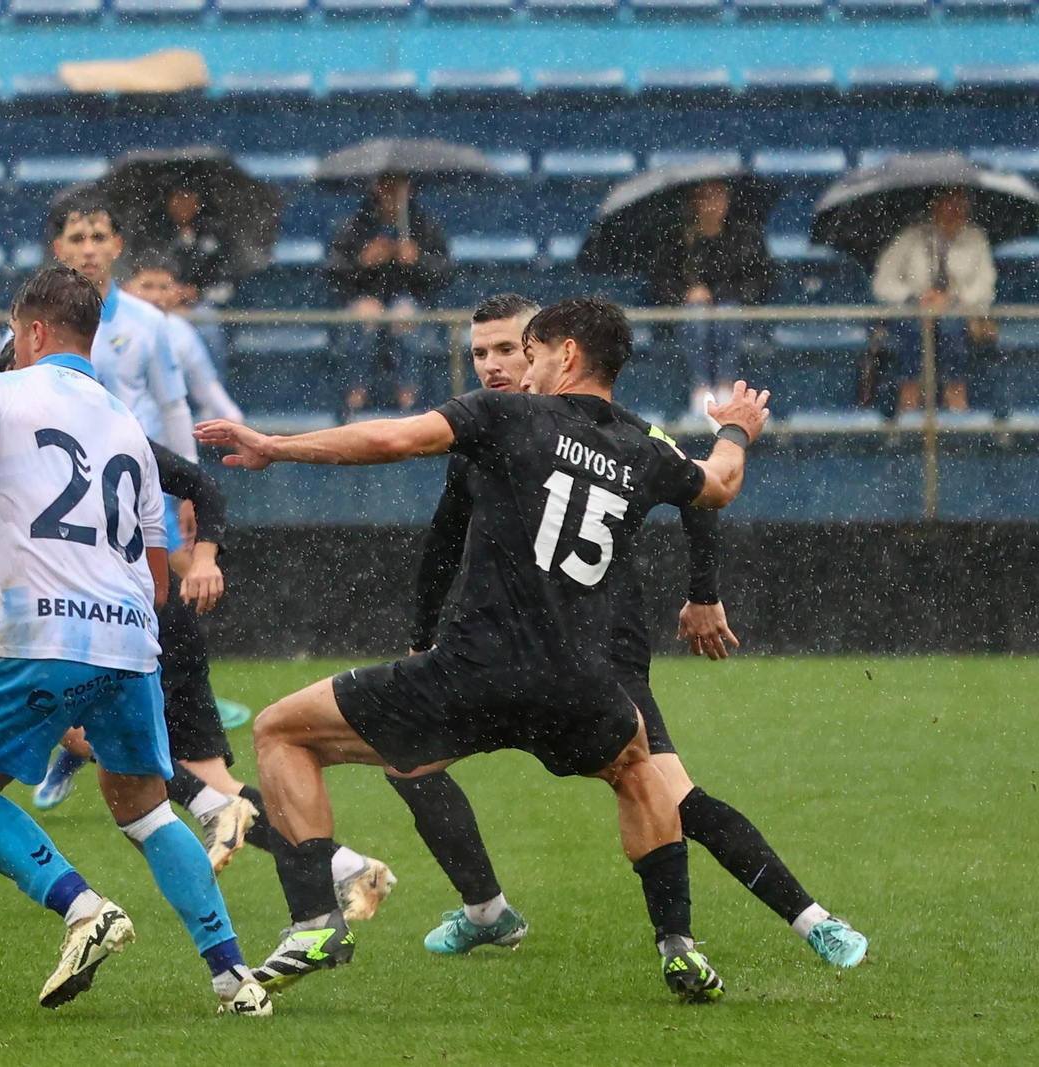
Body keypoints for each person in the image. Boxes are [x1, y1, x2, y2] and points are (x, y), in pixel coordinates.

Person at [195, 297, 772, 1004]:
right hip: (581, 684)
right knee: (641, 771)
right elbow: (719, 485)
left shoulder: (503, 417)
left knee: (278, 729)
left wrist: (277, 445)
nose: (517, 369)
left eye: (528, 353)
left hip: (473, 671)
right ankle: (677, 944)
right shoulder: (642, 450)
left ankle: (316, 919)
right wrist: (737, 429)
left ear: (565, 354)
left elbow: (389, 442)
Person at [394, 293, 869, 968]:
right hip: (505, 653)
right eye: (481, 353)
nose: (497, 366)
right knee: (404, 757)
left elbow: (698, 491)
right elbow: (444, 539)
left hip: (595, 654)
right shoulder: (484, 434)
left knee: (674, 795)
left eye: (512, 350)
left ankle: (813, 920)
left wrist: (703, 593)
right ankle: (487, 910)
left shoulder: (614, 433)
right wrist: (421, 637)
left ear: (556, 353)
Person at [0, 266, 271, 1016]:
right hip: (134, 642)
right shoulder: (121, 423)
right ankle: (234, 977)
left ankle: (84, 909)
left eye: (16, 331)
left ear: (34, 330)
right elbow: (152, 564)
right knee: (146, 810)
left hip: (43, 634)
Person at [49, 193, 197, 459]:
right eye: (77, 239)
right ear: (59, 249)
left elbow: (172, 407)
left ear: (117, 245)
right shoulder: (36, 325)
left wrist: (191, 485)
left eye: (98, 237)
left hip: (137, 480)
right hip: (64, 480)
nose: (89, 250)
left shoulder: (149, 323)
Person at [645, 180, 776, 417]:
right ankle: (701, 387)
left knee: (726, 314)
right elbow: (661, 282)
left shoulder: (745, 235)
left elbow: (760, 280)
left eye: (717, 196)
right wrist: (686, 293)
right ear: (694, 202)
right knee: (698, 317)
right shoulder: (676, 238)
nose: (711, 204)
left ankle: (726, 384)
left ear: (728, 200)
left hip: (735, 309)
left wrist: (723, 295)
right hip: (689, 312)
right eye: (704, 197)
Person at [326, 173, 452, 416]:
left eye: (399, 186)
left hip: (411, 302)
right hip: (365, 301)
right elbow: (334, 274)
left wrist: (418, 260)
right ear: (375, 188)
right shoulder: (355, 226)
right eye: (386, 186)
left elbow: (443, 274)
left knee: (405, 314)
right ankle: (355, 394)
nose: (392, 193)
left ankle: (408, 394)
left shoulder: (425, 225)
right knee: (364, 316)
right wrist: (361, 262)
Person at [873, 187, 995, 414]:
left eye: (961, 204)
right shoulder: (911, 237)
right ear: (935, 206)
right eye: (949, 203)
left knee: (952, 326)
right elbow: (883, 282)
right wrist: (916, 297)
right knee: (914, 327)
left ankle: (955, 394)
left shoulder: (976, 238)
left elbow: (985, 287)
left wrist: (952, 298)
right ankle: (909, 397)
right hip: (913, 313)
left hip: (959, 314)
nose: (955, 211)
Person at [123, 251, 245, 424]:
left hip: (169, 437)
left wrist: (233, 418)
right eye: (147, 286)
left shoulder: (182, 332)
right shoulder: (104, 327)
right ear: (128, 289)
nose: (156, 296)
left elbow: (206, 387)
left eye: (164, 287)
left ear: (177, 292)